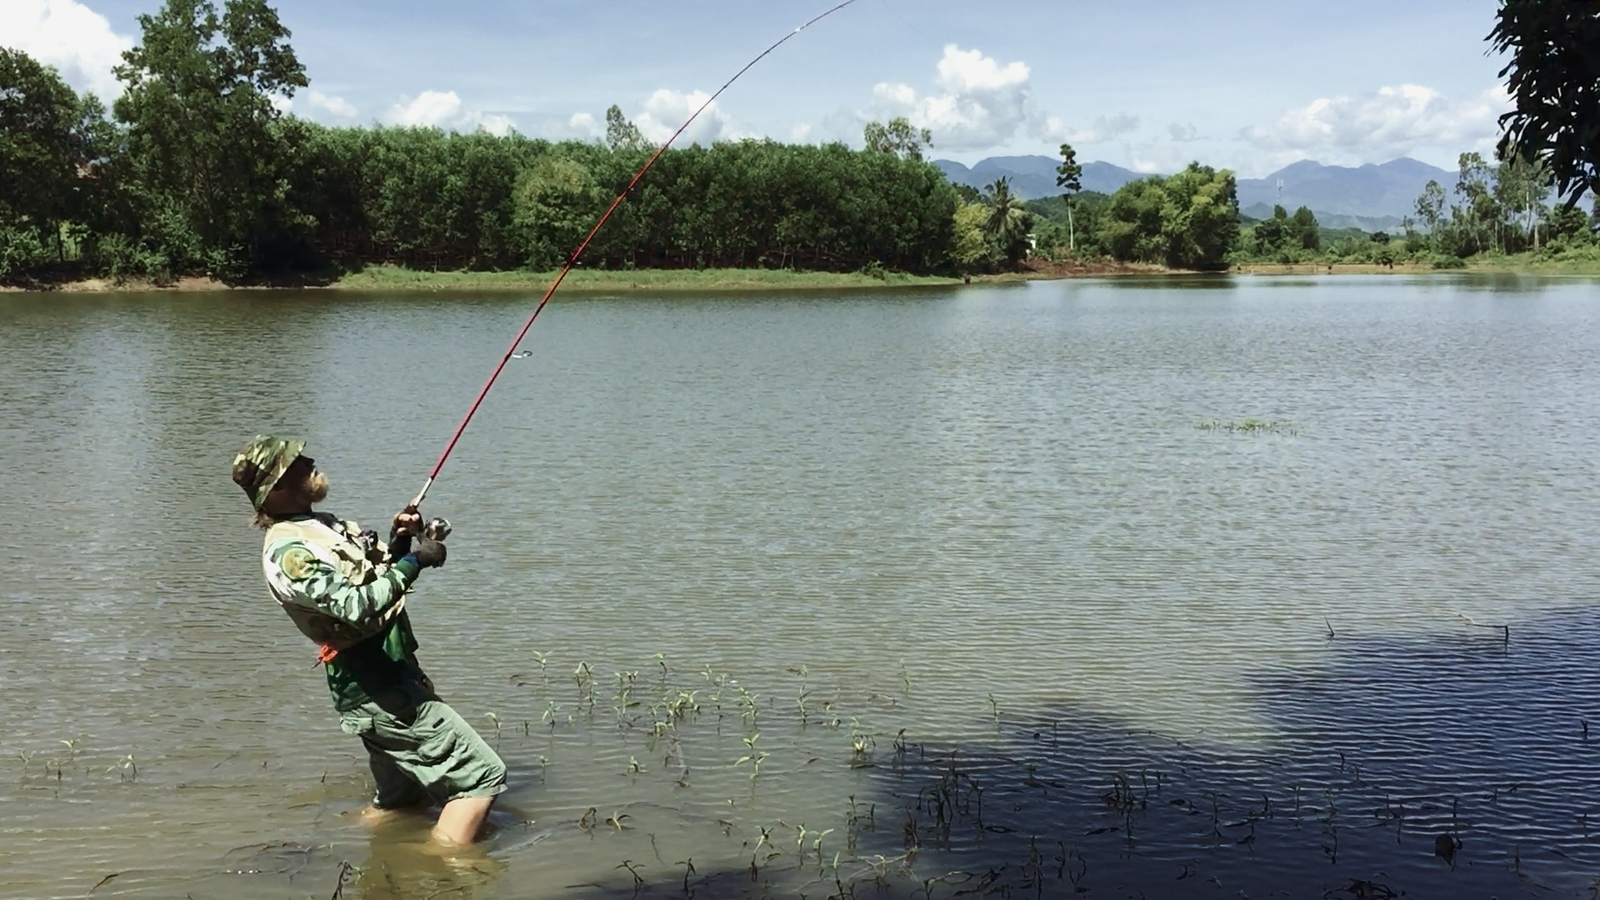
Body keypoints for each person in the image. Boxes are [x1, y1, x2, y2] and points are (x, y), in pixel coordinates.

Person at [232, 435, 506, 846]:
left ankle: (357, 856)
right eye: (298, 463)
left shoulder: (320, 525)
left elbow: (374, 578)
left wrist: (400, 541)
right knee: (482, 776)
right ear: (277, 489)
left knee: (403, 803)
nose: (310, 462)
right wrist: (417, 561)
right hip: (372, 683)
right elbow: (359, 606)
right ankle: (443, 873)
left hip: (386, 674)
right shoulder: (290, 552)